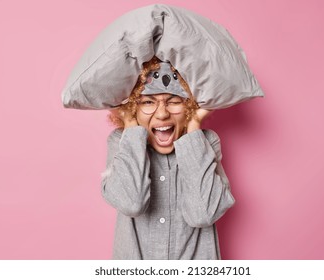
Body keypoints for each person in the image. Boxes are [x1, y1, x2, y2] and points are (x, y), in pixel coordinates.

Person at [101, 56, 235, 259]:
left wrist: (194, 124)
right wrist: (129, 121)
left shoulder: (207, 142)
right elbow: (131, 202)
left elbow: (203, 213)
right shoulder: (121, 141)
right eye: (147, 102)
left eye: (174, 101)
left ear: (189, 106)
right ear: (134, 107)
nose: (162, 114)